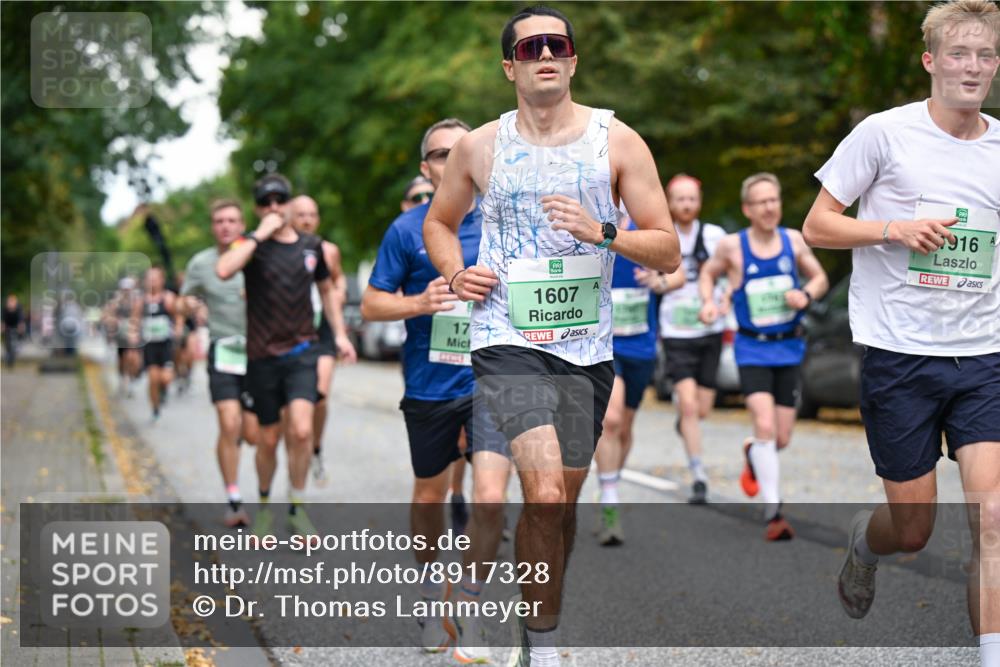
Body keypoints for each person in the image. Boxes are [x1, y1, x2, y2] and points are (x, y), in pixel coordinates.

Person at [422, 8, 681, 666]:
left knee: (558, 508)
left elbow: (669, 249)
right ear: (509, 66)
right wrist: (457, 273)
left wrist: (604, 232)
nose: (545, 54)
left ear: (572, 60)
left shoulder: (617, 141)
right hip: (506, 338)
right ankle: (543, 652)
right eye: (529, 46)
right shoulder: (479, 146)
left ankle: (526, 622)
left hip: (586, 352)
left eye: (556, 44)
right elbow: (439, 223)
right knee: (540, 493)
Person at [802, 2, 999, 663]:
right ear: (931, 60)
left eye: (985, 55)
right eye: (959, 53)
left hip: (983, 356)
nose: (972, 67)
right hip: (900, 354)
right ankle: (867, 541)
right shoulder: (884, 135)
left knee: (991, 519)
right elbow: (818, 225)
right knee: (914, 529)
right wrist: (892, 229)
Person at [362, 118, 514, 662]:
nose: (451, 159)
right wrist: (418, 303)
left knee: (491, 496)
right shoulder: (408, 230)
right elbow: (372, 304)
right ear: (425, 167)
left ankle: (467, 609)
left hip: (494, 379)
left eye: (462, 149)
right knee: (429, 495)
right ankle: (431, 593)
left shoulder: (508, 220)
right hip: (430, 384)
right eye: (438, 153)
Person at [216, 173, 357, 540]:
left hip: (302, 353)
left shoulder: (312, 248)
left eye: (280, 200)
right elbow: (224, 269)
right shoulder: (251, 247)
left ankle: (296, 508)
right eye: (266, 202)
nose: (274, 207)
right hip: (262, 357)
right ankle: (264, 507)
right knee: (267, 439)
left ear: (290, 204)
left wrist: (340, 334)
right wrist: (259, 233)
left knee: (301, 429)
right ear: (258, 208)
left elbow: (327, 292)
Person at [698, 173, 828, 541]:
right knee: (766, 424)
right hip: (751, 347)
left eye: (774, 200)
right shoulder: (732, 247)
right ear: (747, 209)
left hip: (789, 346)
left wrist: (806, 295)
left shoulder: (793, 240)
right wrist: (708, 302)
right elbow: (707, 274)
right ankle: (774, 514)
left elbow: (818, 278)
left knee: (781, 437)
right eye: (761, 202)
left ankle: (753, 451)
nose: (770, 207)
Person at [594, 213, 684, 545]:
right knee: (612, 419)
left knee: (626, 426)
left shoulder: (646, 221)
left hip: (641, 344)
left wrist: (660, 282)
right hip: (603, 342)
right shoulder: (588, 217)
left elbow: (678, 272)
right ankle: (610, 501)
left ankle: (609, 482)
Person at [181, 199, 259, 528]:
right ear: (213, 226)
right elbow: (186, 297)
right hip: (223, 350)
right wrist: (192, 307)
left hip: (257, 353)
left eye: (231, 220)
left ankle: (235, 445)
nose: (225, 226)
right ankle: (233, 499)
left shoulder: (256, 255)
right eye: (219, 221)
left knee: (252, 435)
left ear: (242, 225)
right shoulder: (201, 263)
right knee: (229, 424)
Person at [659, 174, 729, 504]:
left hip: (710, 331)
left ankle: (686, 422)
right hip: (676, 331)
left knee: (701, 408)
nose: (686, 204)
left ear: (699, 202)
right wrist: (658, 283)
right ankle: (699, 474)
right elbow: (651, 276)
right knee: (688, 403)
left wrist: (723, 299)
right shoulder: (661, 236)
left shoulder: (715, 236)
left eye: (691, 199)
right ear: (669, 203)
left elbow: (734, 271)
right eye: (680, 199)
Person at [288, 194, 347, 485]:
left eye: (312, 214)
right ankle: (300, 448)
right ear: (290, 217)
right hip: (290, 332)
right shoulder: (277, 250)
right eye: (301, 214)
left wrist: (339, 294)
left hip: (321, 330)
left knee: (319, 395)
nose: (307, 220)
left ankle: (315, 448)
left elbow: (337, 280)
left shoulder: (328, 250)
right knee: (295, 405)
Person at [140, 266, 178, 420]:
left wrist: (178, 328)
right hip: (149, 345)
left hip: (165, 344)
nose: (152, 282)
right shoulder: (141, 300)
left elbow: (178, 316)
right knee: (153, 379)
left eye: (155, 279)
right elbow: (135, 319)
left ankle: (164, 391)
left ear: (162, 280)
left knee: (165, 378)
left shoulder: (168, 298)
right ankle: (155, 407)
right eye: (149, 279)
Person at [2, 294, 25, 367]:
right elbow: (2, 317)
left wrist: (20, 325)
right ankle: (8, 355)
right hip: (8, 326)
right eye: (9, 302)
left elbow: (21, 318)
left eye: (12, 302)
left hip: (16, 326)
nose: (11, 304)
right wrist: (2, 325)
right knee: (7, 343)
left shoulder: (19, 308)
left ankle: (16, 350)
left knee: (16, 343)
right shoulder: (5, 308)